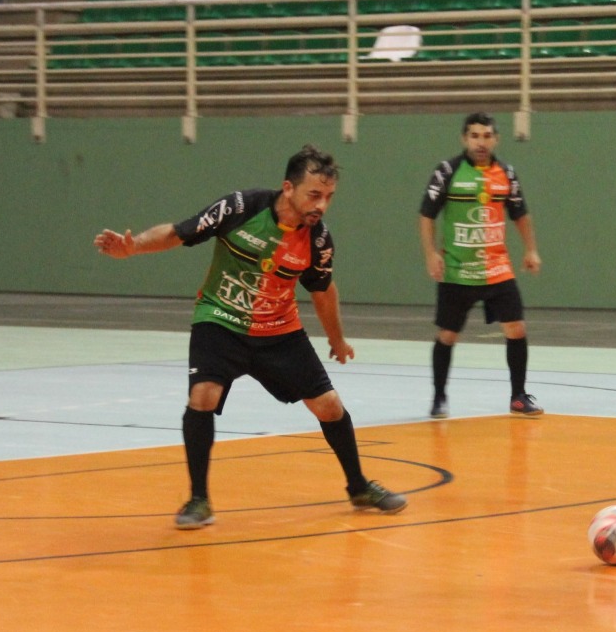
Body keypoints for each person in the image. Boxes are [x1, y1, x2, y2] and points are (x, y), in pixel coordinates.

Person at [93, 145, 407, 529]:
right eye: (314, 194)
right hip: (221, 319)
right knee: (202, 395)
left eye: (328, 198)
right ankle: (198, 501)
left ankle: (358, 487)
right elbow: (178, 232)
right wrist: (134, 247)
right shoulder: (240, 208)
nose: (321, 205)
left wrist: (337, 340)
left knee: (329, 406)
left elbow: (323, 290)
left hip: (279, 330)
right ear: (288, 188)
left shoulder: (318, 240)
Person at [418, 112, 543, 419]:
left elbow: (520, 213)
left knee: (516, 328)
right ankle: (439, 397)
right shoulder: (448, 171)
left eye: (486, 136)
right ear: (465, 139)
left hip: (497, 268)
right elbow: (427, 214)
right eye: (474, 136)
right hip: (457, 270)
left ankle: (518, 396)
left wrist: (530, 249)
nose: (481, 142)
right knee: (447, 334)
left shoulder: (506, 174)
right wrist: (431, 253)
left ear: (495, 139)